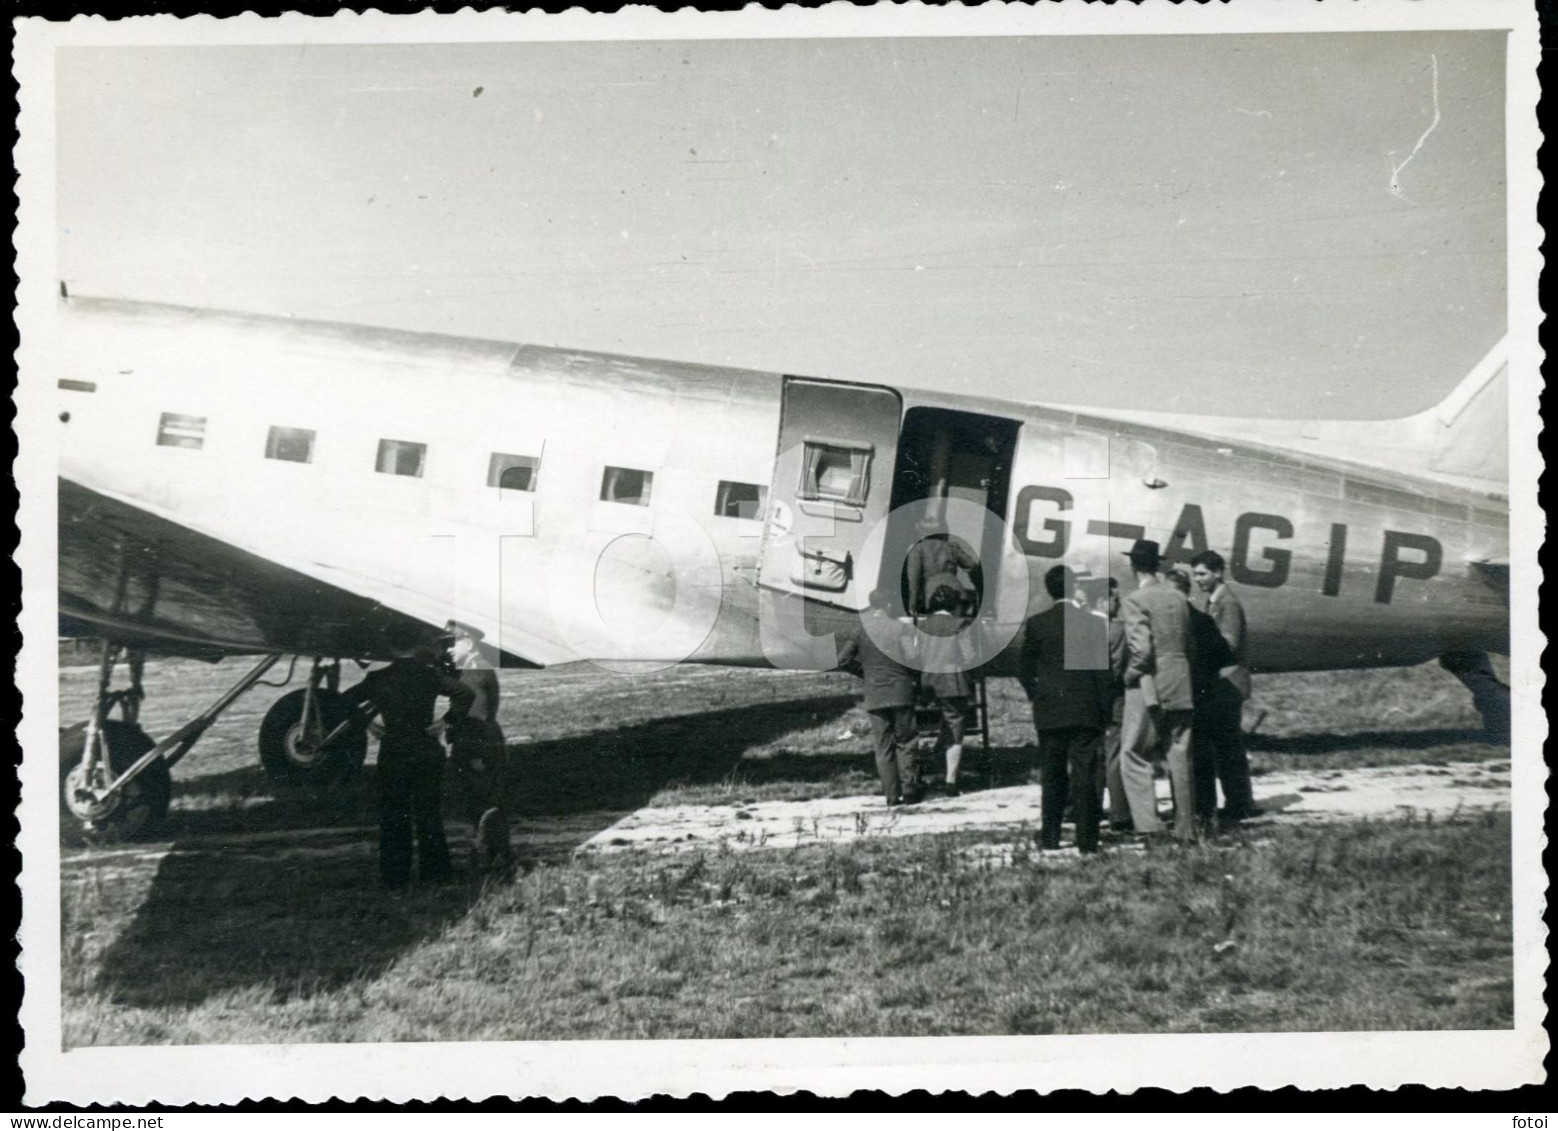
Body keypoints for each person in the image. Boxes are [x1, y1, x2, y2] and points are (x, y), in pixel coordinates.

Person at [342, 622, 475, 890]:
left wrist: (367, 723)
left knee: (394, 815)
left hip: (394, 751)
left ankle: (395, 877)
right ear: (417, 646)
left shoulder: (378, 679)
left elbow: (345, 700)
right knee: (429, 813)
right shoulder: (430, 675)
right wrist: (446, 721)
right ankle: (436, 874)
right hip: (426, 749)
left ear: (390, 646)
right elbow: (465, 693)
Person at [1018, 565, 1111, 853]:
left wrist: (1038, 695)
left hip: (1050, 711)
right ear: (1073, 588)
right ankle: (1087, 841)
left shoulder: (1037, 624)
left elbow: (1023, 669)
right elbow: (1102, 674)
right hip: (1086, 710)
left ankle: (1051, 838)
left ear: (1049, 590)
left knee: (1053, 775)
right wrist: (1104, 710)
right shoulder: (1093, 623)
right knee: (1085, 776)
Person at [1119, 540, 1199, 843]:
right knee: (1179, 752)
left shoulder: (1135, 599)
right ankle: (1186, 828)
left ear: (1134, 566)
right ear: (1157, 565)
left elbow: (1142, 652)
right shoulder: (1179, 598)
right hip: (1181, 679)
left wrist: (1129, 676)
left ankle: (1149, 827)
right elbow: (1189, 645)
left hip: (1150, 684)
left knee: (1133, 754)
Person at [1189, 550, 1262, 821]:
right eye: (1195, 574)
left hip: (1227, 682)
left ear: (1217, 572)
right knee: (1226, 745)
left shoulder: (1227, 602)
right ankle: (1238, 800)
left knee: (1228, 745)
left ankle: (1239, 803)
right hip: (1223, 682)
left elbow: (1228, 643)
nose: (1198, 580)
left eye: (1202, 574)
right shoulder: (1214, 600)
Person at [438, 619, 513, 873]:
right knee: (486, 798)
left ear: (468, 643)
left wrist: (472, 753)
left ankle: (493, 855)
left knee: (481, 798)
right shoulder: (477, 667)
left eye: (452, 643)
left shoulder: (474, 673)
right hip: (483, 739)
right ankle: (497, 853)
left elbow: (476, 718)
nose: (448, 650)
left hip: (476, 742)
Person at [837, 588, 922, 806]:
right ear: (888, 605)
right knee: (906, 742)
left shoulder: (860, 631)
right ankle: (910, 790)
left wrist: (865, 673)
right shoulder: (900, 628)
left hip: (875, 694)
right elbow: (912, 659)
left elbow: (843, 660)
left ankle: (892, 796)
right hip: (901, 691)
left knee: (883, 747)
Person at [1167, 568, 1235, 827]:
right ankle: (1208, 815)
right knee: (1204, 758)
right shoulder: (1204, 621)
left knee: (1178, 756)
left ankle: (1182, 815)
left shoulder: (1169, 624)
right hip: (1204, 697)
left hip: (1176, 696)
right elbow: (1224, 656)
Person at [917, 583, 975, 796]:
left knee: (944, 726)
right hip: (953, 681)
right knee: (956, 732)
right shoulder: (960, 624)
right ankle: (951, 783)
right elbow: (969, 656)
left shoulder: (923, 626)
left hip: (929, 680)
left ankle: (933, 762)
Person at [1094, 578, 1132, 832]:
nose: (1119, 603)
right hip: (1114, 700)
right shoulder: (1117, 630)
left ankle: (1087, 808)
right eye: (1115, 599)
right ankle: (1120, 814)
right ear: (1103, 600)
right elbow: (1116, 669)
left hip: (1087, 702)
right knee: (1115, 756)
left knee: (1091, 757)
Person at [905, 512, 982, 616]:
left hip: (933, 593)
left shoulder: (918, 549)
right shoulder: (952, 547)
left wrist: (912, 604)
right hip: (957, 592)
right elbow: (972, 566)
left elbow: (913, 578)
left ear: (922, 533)